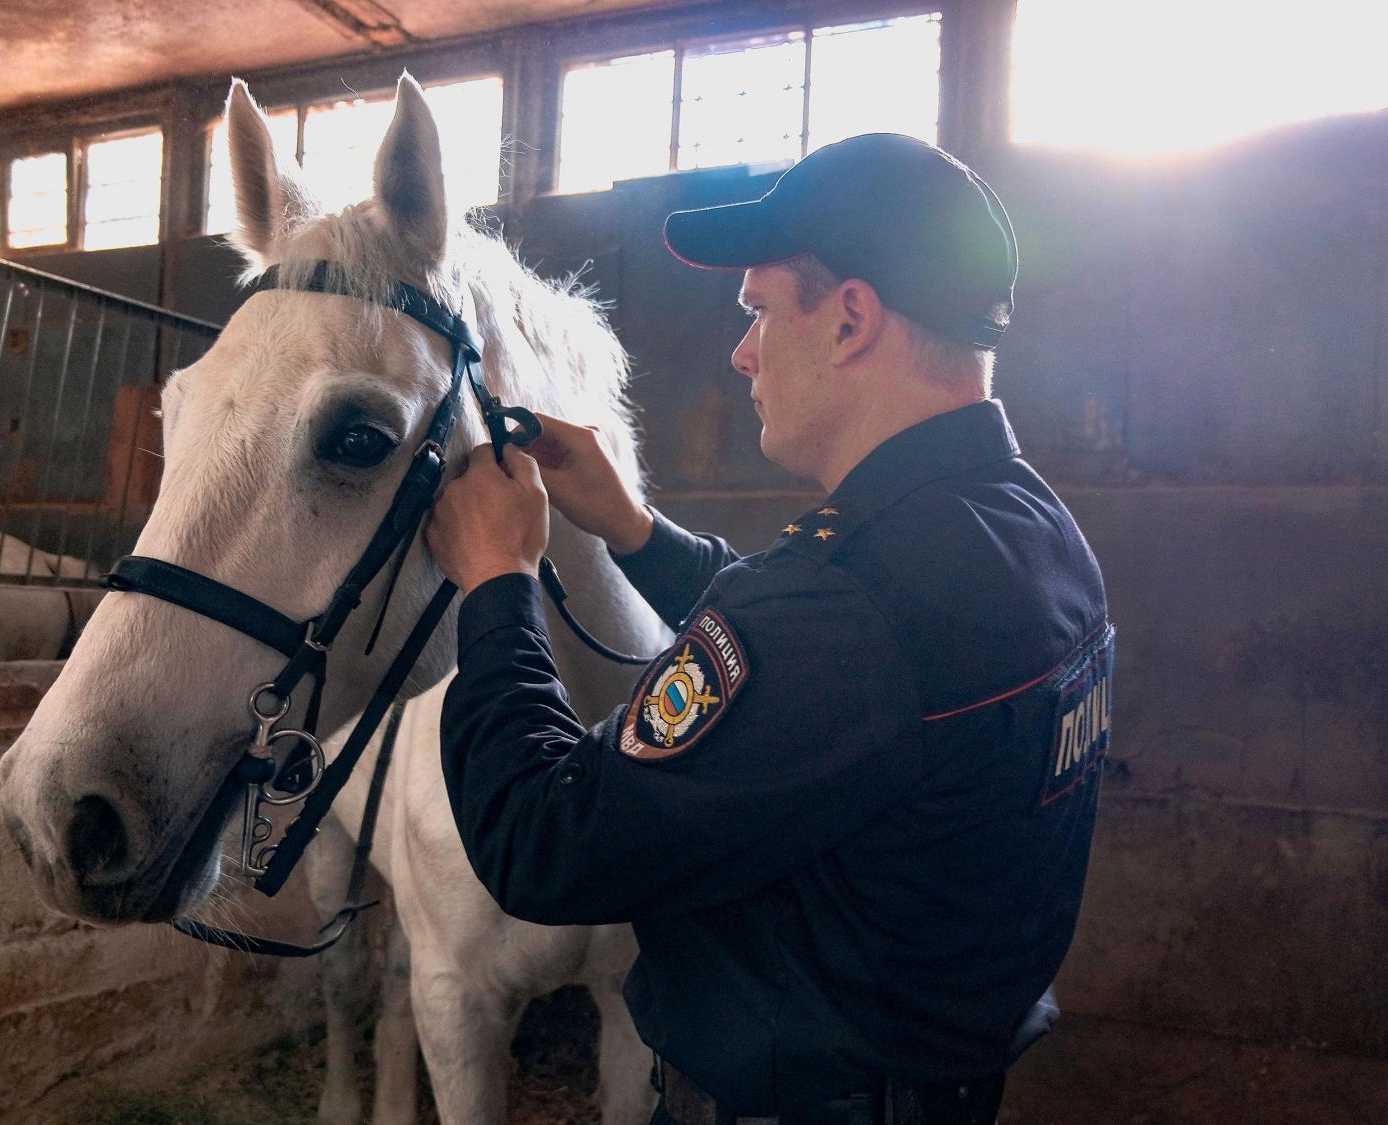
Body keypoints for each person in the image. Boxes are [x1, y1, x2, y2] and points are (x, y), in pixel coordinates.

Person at [422, 132, 1112, 1125]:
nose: (740, 353)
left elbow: (541, 840)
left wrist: (495, 582)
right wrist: (635, 530)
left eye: (755, 312)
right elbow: (821, 671)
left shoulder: (847, 602)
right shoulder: (1024, 525)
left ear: (848, 320)